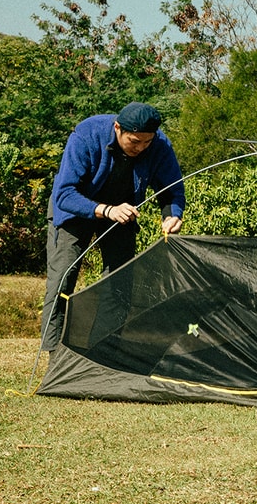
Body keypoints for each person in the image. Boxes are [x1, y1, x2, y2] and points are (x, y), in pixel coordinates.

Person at [40, 102, 186, 351]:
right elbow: (63, 193)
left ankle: (104, 350)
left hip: (122, 214)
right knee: (62, 279)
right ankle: (55, 353)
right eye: (134, 141)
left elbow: (172, 191)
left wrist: (172, 215)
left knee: (119, 282)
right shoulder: (86, 134)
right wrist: (106, 210)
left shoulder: (159, 144)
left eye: (147, 142)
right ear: (117, 128)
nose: (141, 148)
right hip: (75, 210)